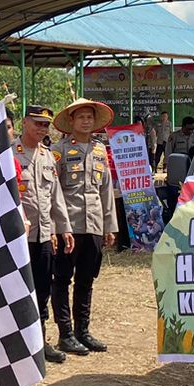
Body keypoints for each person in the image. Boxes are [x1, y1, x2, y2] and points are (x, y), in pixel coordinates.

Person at [51, 97, 119, 356]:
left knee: (86, 280)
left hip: (94, 225)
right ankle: (65, 333)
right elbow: (53, 191)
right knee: (62, 280)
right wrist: (57, 226)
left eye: (90, 116)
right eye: (81, 117)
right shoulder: (58, 151)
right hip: (68, 225)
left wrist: (109, 226)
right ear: (71, 122)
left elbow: (106, 191)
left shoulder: (100, 151)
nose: (86, 120)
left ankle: (83, 330)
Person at [13, 105, 73, 365]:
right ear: (25, 123)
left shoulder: (49, 156)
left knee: (42, 290)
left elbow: (56, 196)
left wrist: (64, 227)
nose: (41, 128)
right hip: (17, 237)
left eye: (45, 125)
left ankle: (39, 341)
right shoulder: (8, 154)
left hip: (43, 235)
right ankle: (15, 344)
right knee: (17, 290)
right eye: (37, 123)